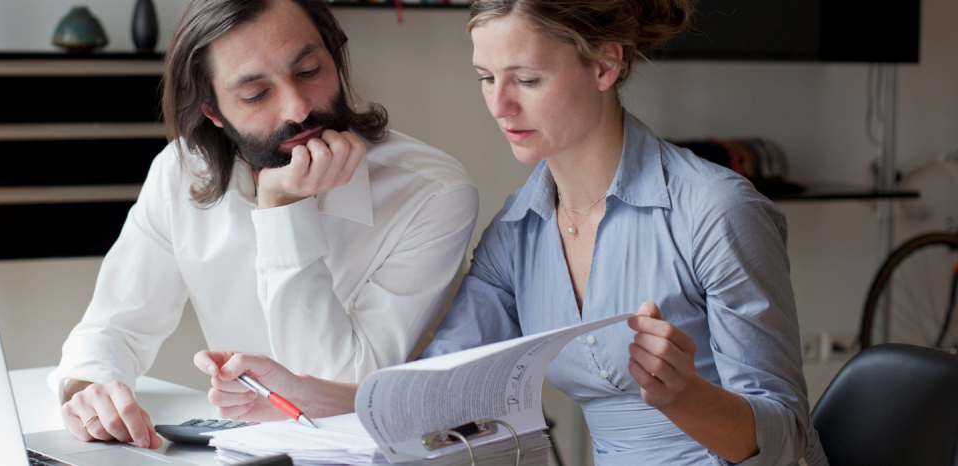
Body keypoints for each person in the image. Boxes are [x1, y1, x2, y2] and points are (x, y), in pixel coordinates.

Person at [197, 0, 829, 464]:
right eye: (485, 78)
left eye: (527, 80)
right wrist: (294, 391)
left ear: (605, 64)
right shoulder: (519, 232)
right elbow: (430, 394)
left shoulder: (716, 211)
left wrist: (683, 396)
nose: (500, 105)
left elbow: (786, 439)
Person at [48, 0, 480, 450]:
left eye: (309, 71)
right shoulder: (180, 173)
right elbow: (114, 327)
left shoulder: (432, 193)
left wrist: (283, 209)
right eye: (256, 94)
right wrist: (88, 390)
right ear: (213, 111)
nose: (297, 108)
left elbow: (333, 393)